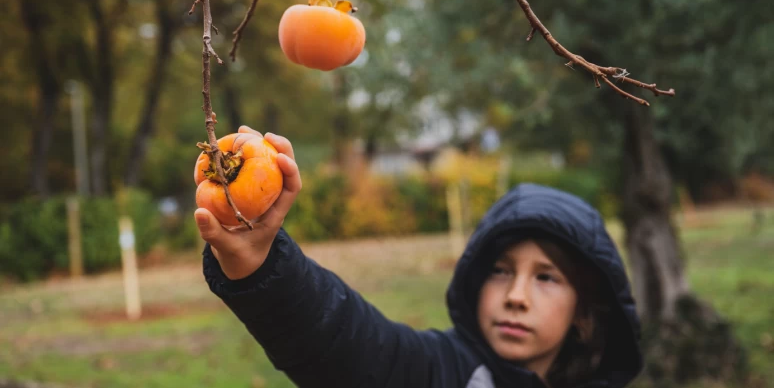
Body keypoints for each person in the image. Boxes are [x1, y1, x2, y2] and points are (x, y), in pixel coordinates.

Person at [196, 126, 643, 388]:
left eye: (547, 278)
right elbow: (344, 343)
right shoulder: (442, 371)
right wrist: (262, 261)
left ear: (585, 309)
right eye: (501, 271)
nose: (517, 297)